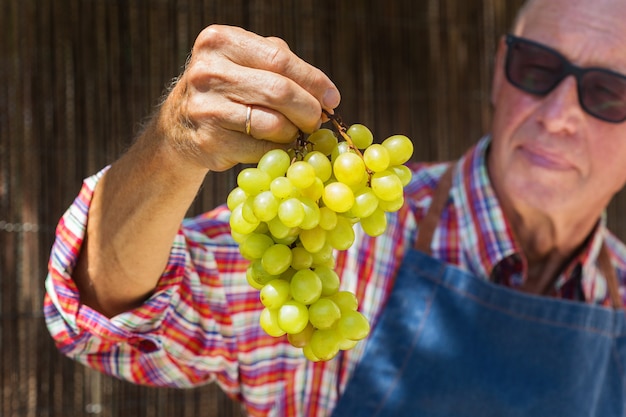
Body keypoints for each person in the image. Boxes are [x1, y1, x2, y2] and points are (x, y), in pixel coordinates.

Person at [44, 0, 626, 415]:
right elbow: (107, 318)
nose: (558, 115)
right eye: (538, 68)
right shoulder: (346, 230)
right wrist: (174, 151)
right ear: (501, 70)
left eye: (609, 92)